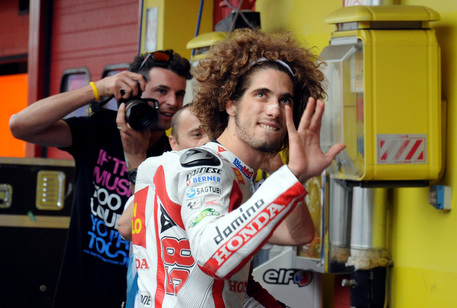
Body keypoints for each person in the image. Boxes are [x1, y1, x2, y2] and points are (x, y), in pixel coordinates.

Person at [130, 28, 346, 307]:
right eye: (261, 95)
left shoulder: (235, 173)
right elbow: (212, 257)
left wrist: (285, 174)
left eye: (285, 99)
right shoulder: (208, 167)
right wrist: (293, 177)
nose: (274, 109)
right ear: (230, 103)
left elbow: (298, 236)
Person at [9, 49, 191, 308]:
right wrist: (98, 88)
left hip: (136, 297)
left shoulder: (175, 155)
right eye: (162, 91)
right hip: (78, 291)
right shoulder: (101, 130)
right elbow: (19, 125)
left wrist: (136, 156)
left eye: (180, 93)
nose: (173, 102)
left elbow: (148, 227)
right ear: (137, 90)